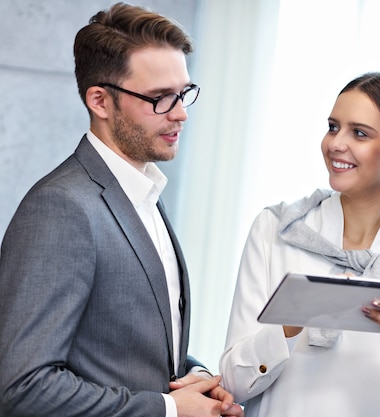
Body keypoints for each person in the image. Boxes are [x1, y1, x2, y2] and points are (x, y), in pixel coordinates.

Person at [0, 3, 242, 417]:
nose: (181, 113)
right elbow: (22, 387)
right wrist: (168, 409)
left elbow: (129, 349)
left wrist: (194, 379)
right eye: (159, 98)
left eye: (183, 93)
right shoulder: (61, 208)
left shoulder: (144, 192)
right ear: (100, 100)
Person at [219, 72, 380, 417]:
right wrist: (293, 318)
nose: (336, 143)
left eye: (359, 133)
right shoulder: (275, 229)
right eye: (333, 126)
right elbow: (233, 383)